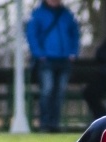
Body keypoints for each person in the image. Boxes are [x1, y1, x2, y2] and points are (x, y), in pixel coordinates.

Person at [26, 0, 80, 132]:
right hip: (46, 60)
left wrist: (73, 52)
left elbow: (75, 34)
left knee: (59, 93)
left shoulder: (67, 14)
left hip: (64, 59)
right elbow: (31, 35)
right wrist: (39, 54)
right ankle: (45, 124)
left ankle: (55, 124)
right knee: (47, 91)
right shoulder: (38, 14)